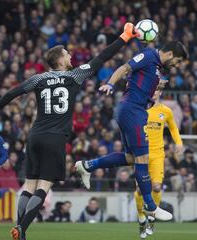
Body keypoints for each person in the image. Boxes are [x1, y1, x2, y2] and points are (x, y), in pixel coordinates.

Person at [0, 22, 138, 240]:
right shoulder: (74, 76)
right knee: (44, 186)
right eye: (67, 53)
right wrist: (124, 37)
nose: (70, 55)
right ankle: (21, 229)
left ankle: (19, 229)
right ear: (60, 60)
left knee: (29, 185)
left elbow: (12, 93)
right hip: (54, 138)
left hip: (34, 136)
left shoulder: (38, 78)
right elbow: (102, 57)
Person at [76, 39, 188, 222]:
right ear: (169, 54)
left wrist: (156, 85)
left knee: (130, 158)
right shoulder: (150, 55)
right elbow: (124, 68)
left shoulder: (156, 66)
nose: (176, 65)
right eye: (177, 61)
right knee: (142, 159)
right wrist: (110, 84)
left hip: (133, 111)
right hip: (131, 111)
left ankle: (88, 166)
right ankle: (151, 207)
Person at [134, 85, 183, 239]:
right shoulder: (139, 108)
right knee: (141, 190)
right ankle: (141, 218)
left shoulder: (166, 111)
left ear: (160, 92)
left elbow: (173, 128)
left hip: (157, 154)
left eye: (156, 90)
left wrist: (179, 142)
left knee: (156, 187)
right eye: (151, 90)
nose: (153, 93)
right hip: (141, 154)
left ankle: (151, 218)